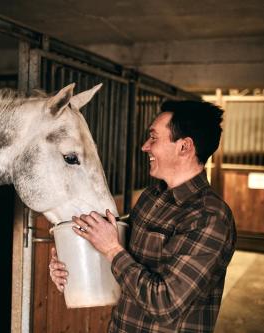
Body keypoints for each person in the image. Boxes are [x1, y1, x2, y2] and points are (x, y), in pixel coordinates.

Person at [49, 100, 236, 333]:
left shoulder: (210, 217)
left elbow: (165, 305)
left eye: (154, 138)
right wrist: (70, 269)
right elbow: (122, 262)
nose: (145, 146)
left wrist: (111, 249)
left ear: (185, 147)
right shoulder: (152, 196)